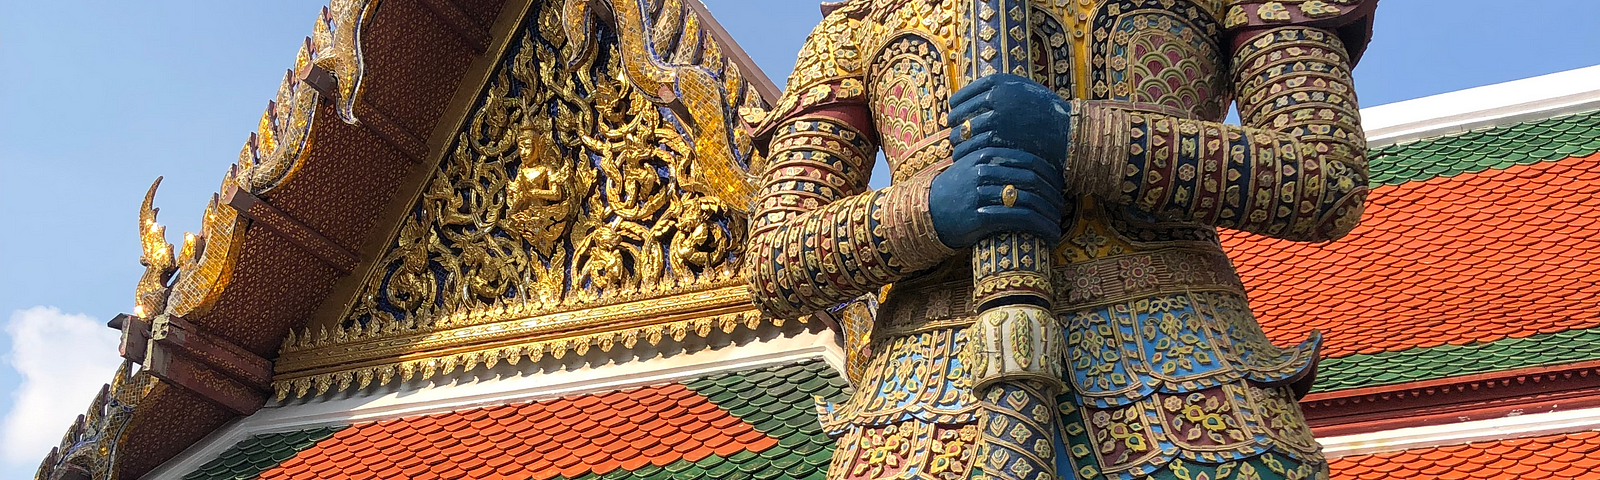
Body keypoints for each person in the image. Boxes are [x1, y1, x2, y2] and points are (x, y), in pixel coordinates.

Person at [744, 1, 1377, 479]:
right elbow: (776, 261)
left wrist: (1076, 137)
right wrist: (932, 209)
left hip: (1188, 376)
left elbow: (1325, 176)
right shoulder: (865, 19)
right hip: (920, 412)